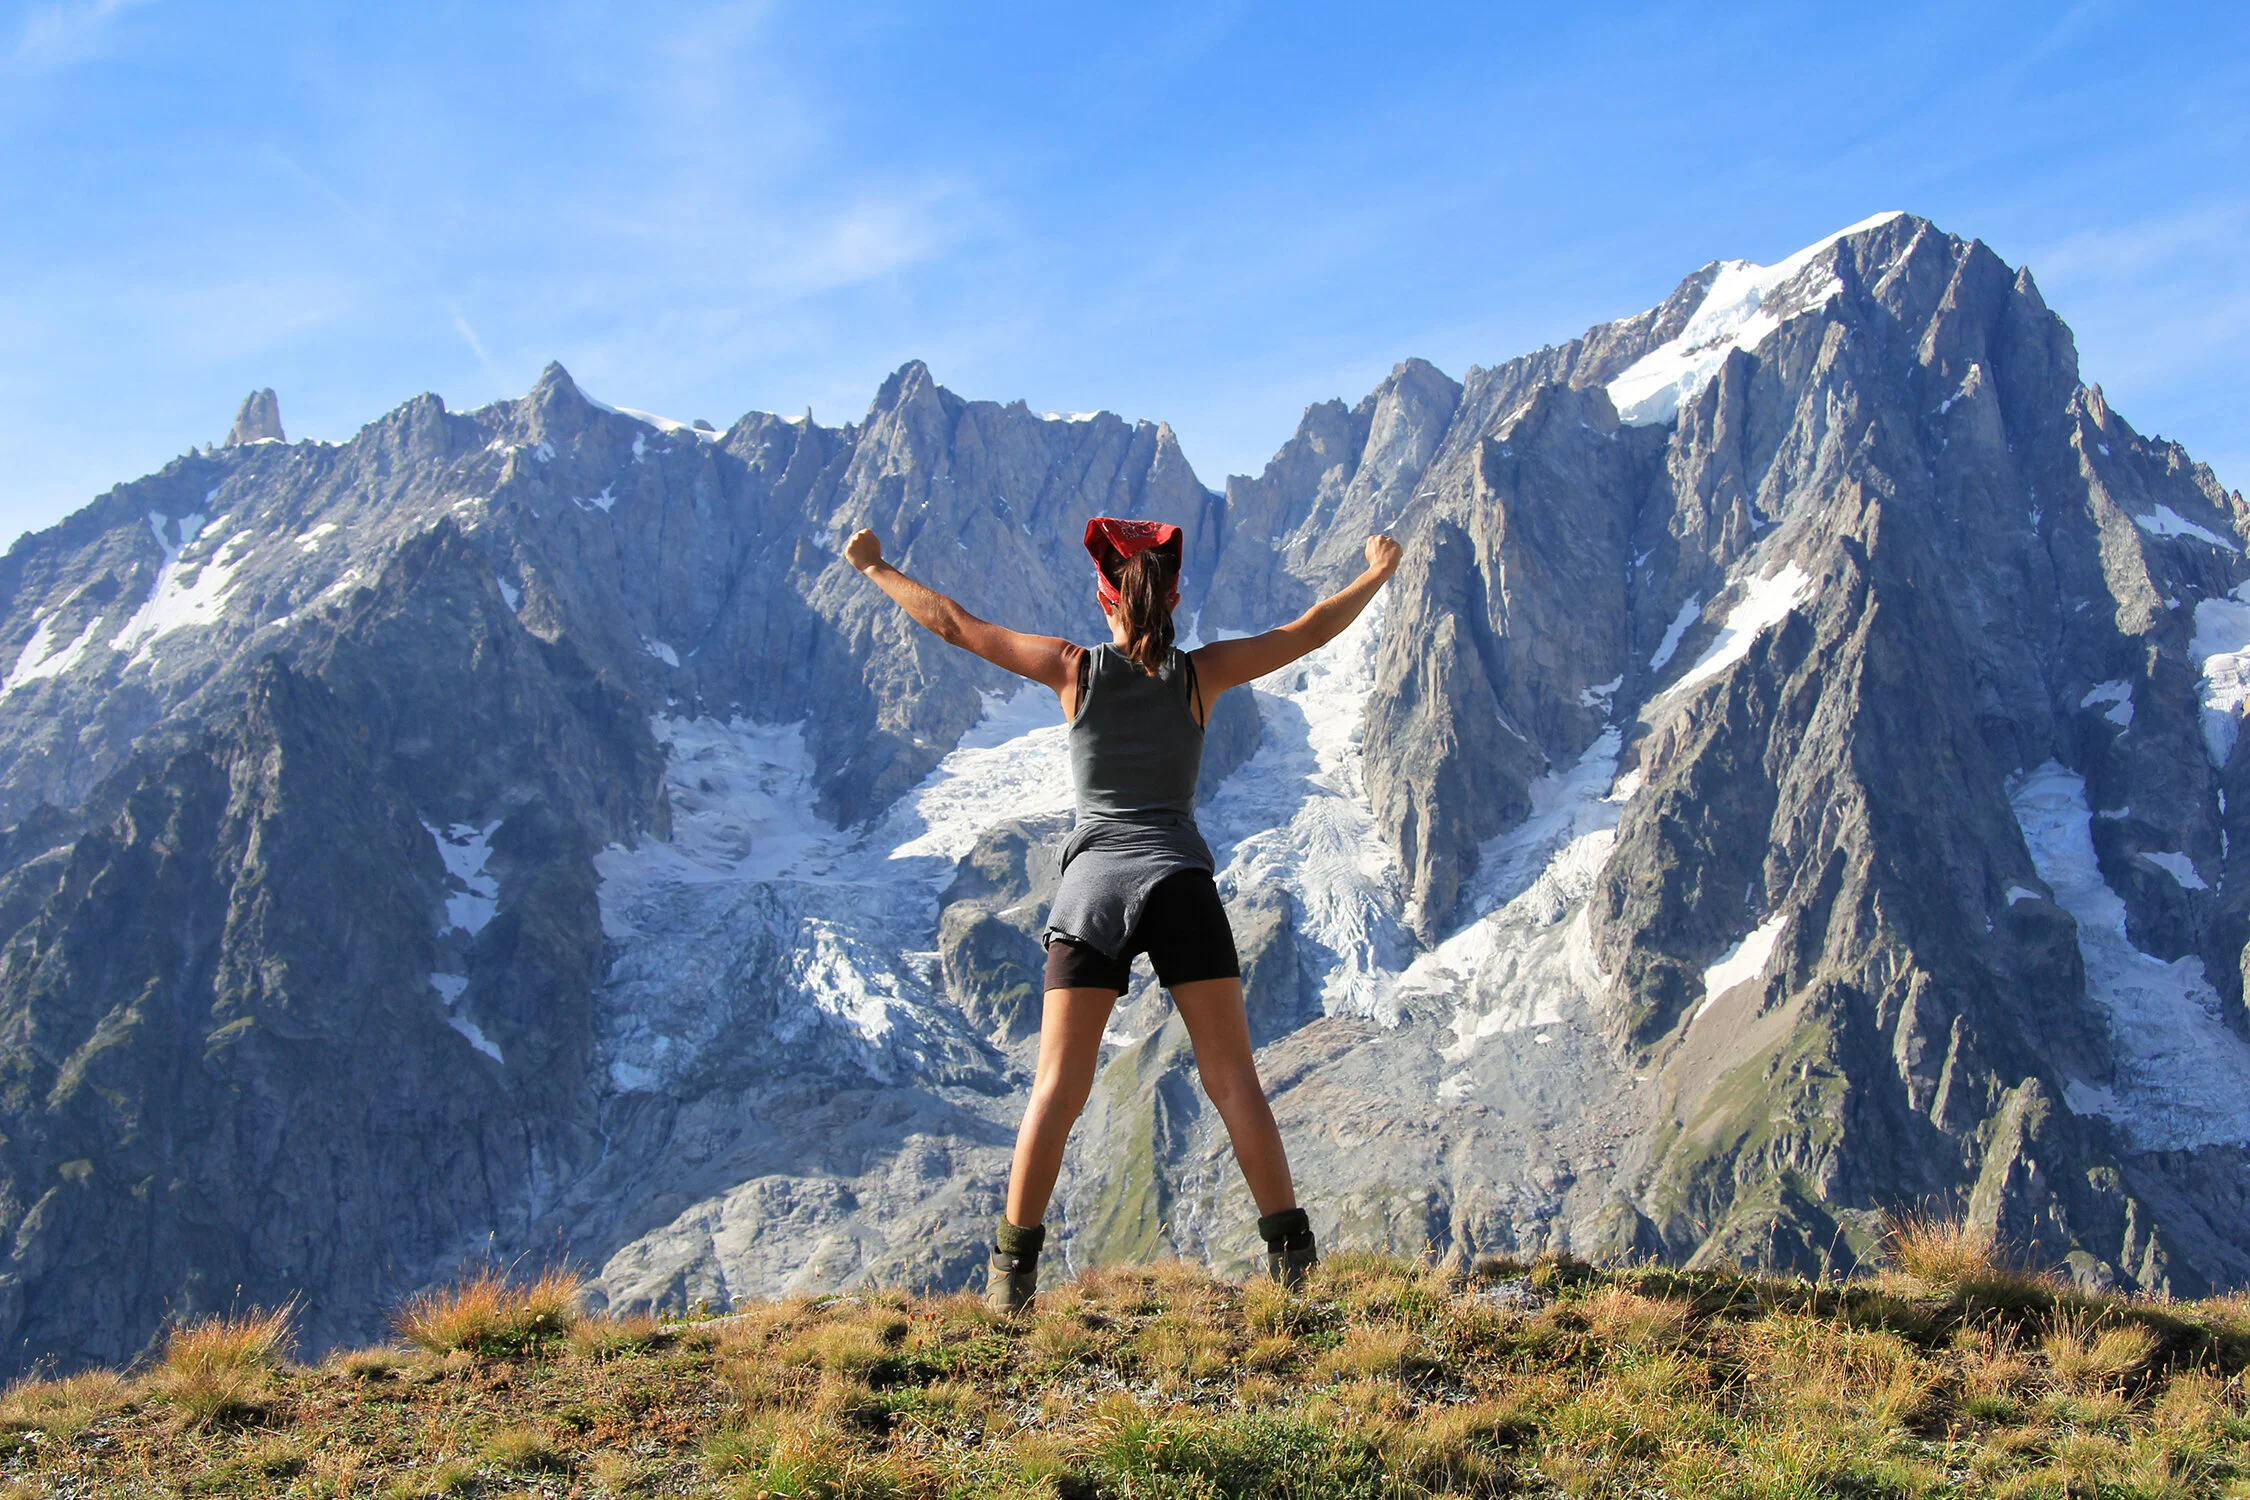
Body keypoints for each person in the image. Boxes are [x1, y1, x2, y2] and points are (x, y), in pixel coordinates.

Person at [845, 518, 1403, 1310]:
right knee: (1233, 1077)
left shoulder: (1072, 670)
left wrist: (876, 567)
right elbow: (1307, 631)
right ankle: (1293, 1264)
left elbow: (957, 625)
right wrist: (1375, 574)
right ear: (1172, 598)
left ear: (1106, 599)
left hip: (1093, 885)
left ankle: (1012, 1280)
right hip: (1180, 880)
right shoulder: (1200, 676)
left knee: (1056, 1088)